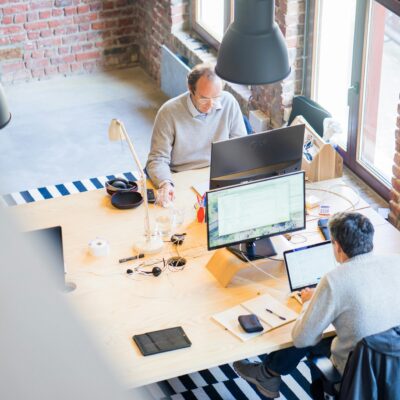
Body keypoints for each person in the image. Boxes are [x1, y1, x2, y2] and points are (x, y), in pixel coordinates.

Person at [233, 212, 400, 399]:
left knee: (310, 330)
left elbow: (302, 339)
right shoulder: (396, 262)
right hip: (394, 374)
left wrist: (309, 302)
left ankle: (267, 374)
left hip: (357, 376)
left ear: (336, 246)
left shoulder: (335, 280)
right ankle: (268, 373)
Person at [146, 63, 247, 207]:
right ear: (190, 89)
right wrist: (165, 183)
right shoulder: (168, 112)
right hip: (180, 176)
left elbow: (240, 147)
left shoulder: (228, 102)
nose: (211, 105)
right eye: (204, 99)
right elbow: (157, 159)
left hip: (217, 175)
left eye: (216, 97)